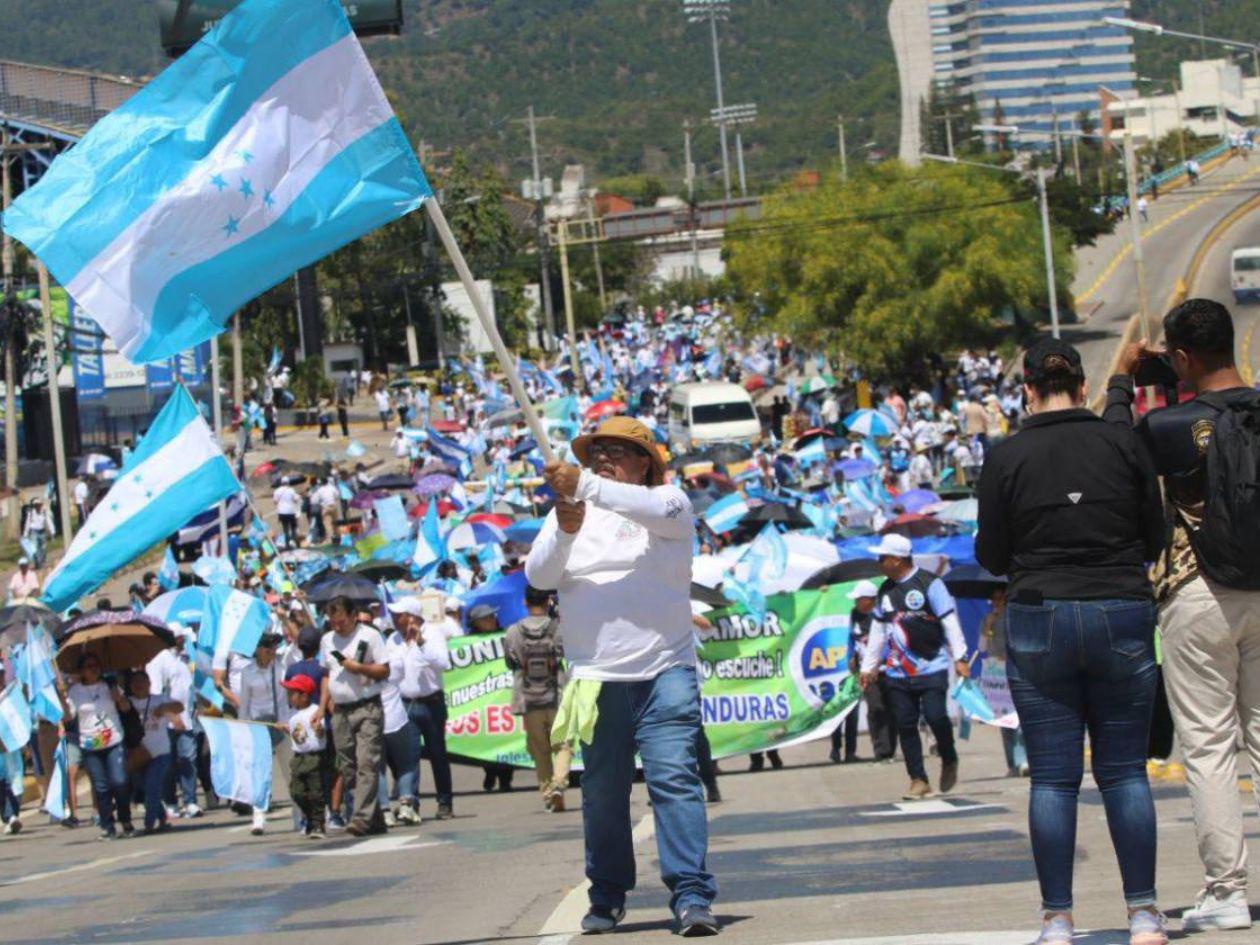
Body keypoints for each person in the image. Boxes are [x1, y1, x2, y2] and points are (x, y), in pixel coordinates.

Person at [977, 338, 1167, 945]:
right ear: (1083, 387)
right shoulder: (1121, 443)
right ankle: (1143, 913)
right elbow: (1155, 534)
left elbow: (991, 555)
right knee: (1125, 772)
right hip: (1120, 608)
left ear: (1027, 391)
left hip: (1040, 615)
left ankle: (1057, 919)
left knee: (1053, 779)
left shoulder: (1006, 457)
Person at [527, 416, 719, 937]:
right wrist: (564, 532)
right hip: (596, 680)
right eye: (596, 453)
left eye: (616, 451)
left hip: (665, 672)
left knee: (674, 781)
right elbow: (540, 576)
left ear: (645, 464)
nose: (602, 459)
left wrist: (584, 484)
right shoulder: (569, 513)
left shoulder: (669, 503)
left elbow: (655, 508)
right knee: (603, 794)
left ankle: (692, 895)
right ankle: (607, 897)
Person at [1105, 299, 1260, 933]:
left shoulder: (1168, 426)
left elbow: (1112, 452)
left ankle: (1226, 890)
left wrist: (1124, 377)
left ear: (1182, 358)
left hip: (1197, 592)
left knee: (1209, 745)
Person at [859, 533, 969, 801]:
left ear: (898, 560)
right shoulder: (884, 591)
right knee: (906, 725)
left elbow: (949, 621)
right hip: (897, 671)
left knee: (936, 716)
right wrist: (868, 667)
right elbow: (878, 631)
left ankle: (949, 756)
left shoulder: (930, 584)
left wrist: (961, 657)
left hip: (931, 666)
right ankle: (918, 779)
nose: (879, 562)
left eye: (883, 557)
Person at [317, 596, 389, 836]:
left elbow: (384, 669)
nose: (337, 627)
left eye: (342, 622)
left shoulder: (370, 636)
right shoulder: (327, 640)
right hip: (340, 710)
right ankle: (375, 818)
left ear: (353, 617)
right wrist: (321, 707)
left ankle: (360, 818)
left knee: (367, 763)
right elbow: (326, 674)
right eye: (333, 622)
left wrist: (361, 668)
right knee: (348, 768)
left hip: (367, 707)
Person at [503, 585, 571, 812]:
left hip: (528, 698)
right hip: (556, 695)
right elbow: (567, 654)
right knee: (563, 745)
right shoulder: (557, 628)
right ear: (548, 601)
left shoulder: (514, 631)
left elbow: (510, 662)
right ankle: (559, 783)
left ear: (525, 602)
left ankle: (548, 793)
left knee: (539, 749)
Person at [395, 598, 454, 820]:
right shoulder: (394, 638)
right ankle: (411, 804)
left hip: (431, 704)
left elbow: (443, 663)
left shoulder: (434, 633)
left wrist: (421, 643)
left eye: (399, 614)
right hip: (406, 704)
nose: (394, 618)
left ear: (411, 616)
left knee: (438, 754)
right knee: (409, 757)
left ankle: (445, 802)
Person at [65, 654, 135, 839]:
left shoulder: (110, 685)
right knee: (101, 786)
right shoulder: (75, 691)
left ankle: (125, 819)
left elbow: (126, 708)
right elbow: (67, 717)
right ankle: (107, 825)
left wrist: (118, 698)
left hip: (114, 740)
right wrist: (62, 697)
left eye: (96, 665)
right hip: (90, 745)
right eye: (89, 666)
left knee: (119, 781)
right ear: (82, 671)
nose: (94, 668)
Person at [239, 634, 290, 836]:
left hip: (281, 723)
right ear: (257, 649)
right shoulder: (247, 672)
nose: (271, 651)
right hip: (259, 725)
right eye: (266, 647)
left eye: (273, 647)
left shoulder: (281, 668)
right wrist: (243, 729)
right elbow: (244, 703)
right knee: (260, 774)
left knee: (290, 772)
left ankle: (299, 816)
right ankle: (258, 818)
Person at [379, 598, 423, 826]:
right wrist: (407, 645)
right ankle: (395, 806)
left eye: (400, 614)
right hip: (394, 716)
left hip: (394, 715)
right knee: (404, 762)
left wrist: (416, 642)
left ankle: (393, 809)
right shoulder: (392, 647)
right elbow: (400, 670)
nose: (396, 619)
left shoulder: (386, 655)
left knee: (390, 764)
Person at [125, 671, 184, 835]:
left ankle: (149, 824)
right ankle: (162, 817)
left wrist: (165, 708)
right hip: (138, 754)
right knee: (146, 787)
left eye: (142, 682)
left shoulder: (159, 699)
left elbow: (180, 706)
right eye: (135, 682)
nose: (138, 685)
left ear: (149, 684)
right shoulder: (129, 702)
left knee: (152, 786)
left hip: (160, 752)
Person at [844, 580, 896, 763]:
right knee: (875, 707)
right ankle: (881, 751)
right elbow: (851, 638)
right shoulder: (854, 614)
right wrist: (850, 657)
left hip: (887, 669)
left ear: (869, 599)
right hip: (865, 672)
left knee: (891, 708)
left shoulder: (883, 614)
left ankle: (891, 748)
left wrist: (879, 661)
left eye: (858, 599)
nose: (855, 602)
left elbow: (889, 640)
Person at [978, 588, 1026, 777]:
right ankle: (1012, 764)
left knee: (1020, 717)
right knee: (1005, 720)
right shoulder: (987, 620)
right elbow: (981, 647)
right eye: (994, 599)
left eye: (1000, 599)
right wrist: (988, 626)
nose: (997, 603)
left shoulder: (1014, 618)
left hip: (1015, 669)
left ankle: (1023, 761)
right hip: (996, 674)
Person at [278, 674, 329, 839]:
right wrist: (287, 729)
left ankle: (318, 824)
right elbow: (299, 736)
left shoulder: (315, 711)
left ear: (304, 696)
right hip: (299, 758)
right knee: (297, 792)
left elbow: (320, 732)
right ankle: (310, 818)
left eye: (292, 693)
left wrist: (319, 729)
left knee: (316, 792)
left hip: (314, 757)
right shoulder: (293, 717)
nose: (289, 697)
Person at [23, 497, 51, 568]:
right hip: (34, 532)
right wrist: (25, 533)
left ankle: (42, 562)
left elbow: (48, 520)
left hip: (42, 531)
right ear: (34, 506)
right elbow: (27, 523)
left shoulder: (44, 512)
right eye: (36, 505)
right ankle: (37, 563)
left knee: (43, 548)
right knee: (35, 548)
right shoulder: (31, 513)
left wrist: (52, 530)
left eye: (39, 505)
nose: (38, 506)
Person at [273, 478, 300, 548]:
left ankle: (287, 545)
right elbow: (296, 500)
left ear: (281, 483)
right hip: (290, 511)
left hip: (282, 512)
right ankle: (296, 544)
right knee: (293, 528)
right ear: (288, 483)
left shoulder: (277, 491)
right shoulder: (291, 490)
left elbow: (275, 502)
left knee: (286, 529)